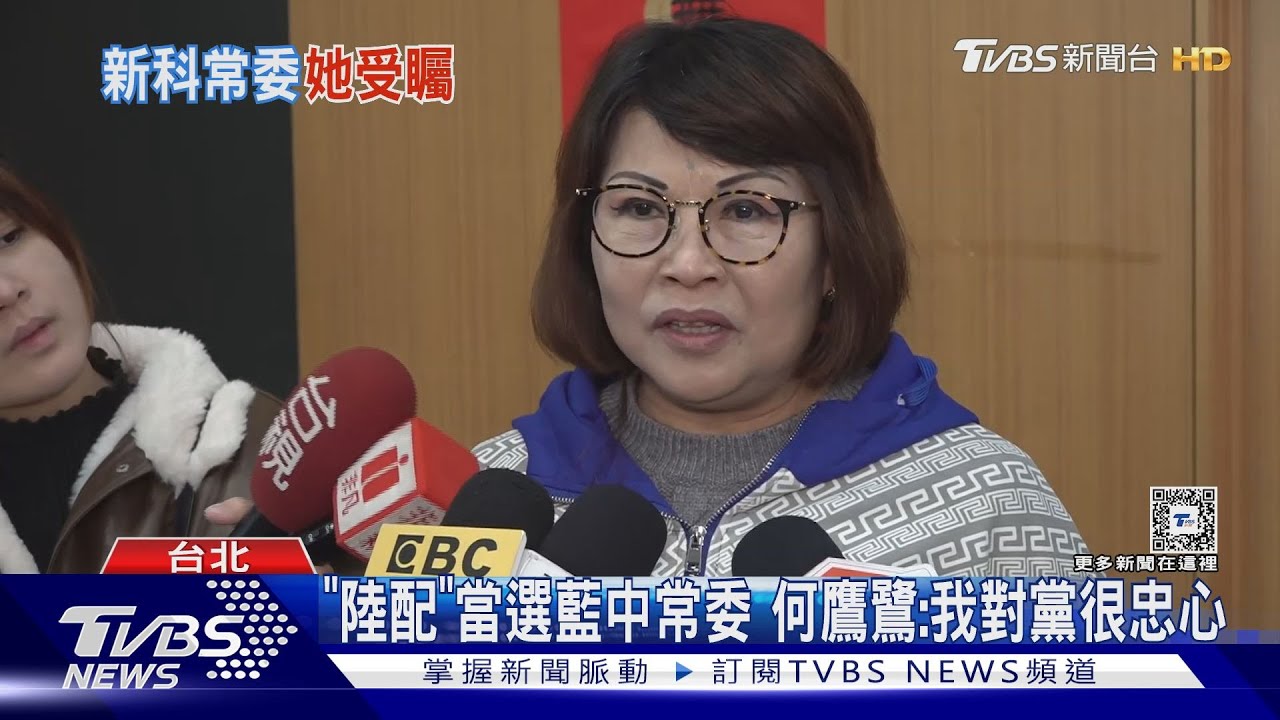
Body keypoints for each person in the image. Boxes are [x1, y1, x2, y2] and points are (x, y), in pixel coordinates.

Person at [471, 17, 1092, 577]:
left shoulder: (987, 505)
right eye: (638, 207)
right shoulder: (482, 505)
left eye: (747, 210)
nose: (688, 265)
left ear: (836, 249)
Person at [0, 161, 278, 574]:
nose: (7, 291)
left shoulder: (252, 444)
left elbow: (354, 607)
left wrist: (302, 601)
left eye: (9, 237)